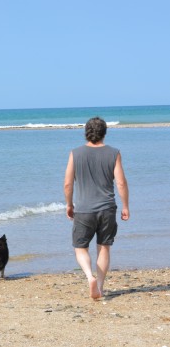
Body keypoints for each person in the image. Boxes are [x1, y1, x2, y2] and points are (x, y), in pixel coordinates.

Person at [64, 117, 129, 299]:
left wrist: (69, 204)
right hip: (107, 208)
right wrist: (125, 206)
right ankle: (99, 287)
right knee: (104, 248)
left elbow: (68, 184)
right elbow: (121, 183)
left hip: (84, 209)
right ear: (104, 133)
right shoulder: (114, 153)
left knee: (80, 247)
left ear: (86, 132)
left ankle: (89, 276)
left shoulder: (75, 153)